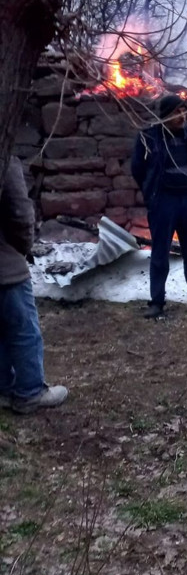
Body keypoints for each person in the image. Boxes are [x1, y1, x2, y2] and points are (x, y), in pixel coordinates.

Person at [130, 93, 187, 319]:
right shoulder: (149, 136)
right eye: (177, 111)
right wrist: (151, 194)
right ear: (165, 115)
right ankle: (156, 302)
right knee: (160, 251)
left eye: (184, 110)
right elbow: (138, 168)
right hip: (164, 200)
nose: (182, 115)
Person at [0, 156, 68, 413]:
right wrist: (23, 248)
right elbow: (19, 213)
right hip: (6, 266)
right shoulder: (4, 157)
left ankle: (3, 388)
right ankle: (29, 391)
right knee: (23, 329)